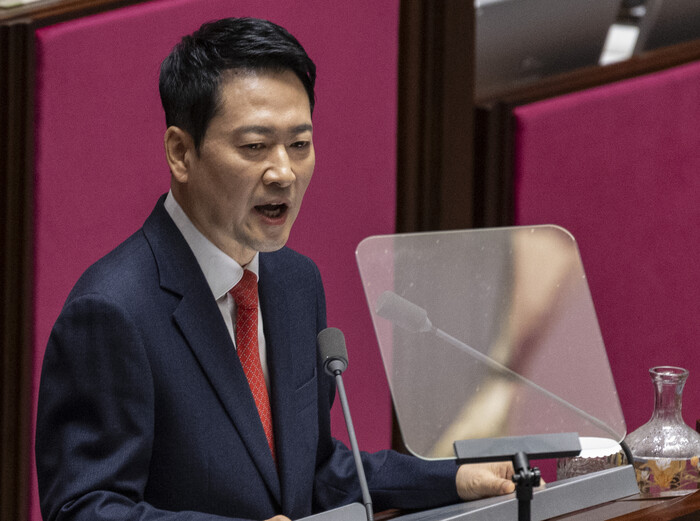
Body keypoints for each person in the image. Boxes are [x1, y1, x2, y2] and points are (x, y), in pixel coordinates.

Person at [35, 17, 515, 521]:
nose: (284, 172)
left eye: (300, 145)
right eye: (254, 147)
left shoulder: (294, 283)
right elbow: (84, 509)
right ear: (181, 153)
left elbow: (314, 471)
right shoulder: (111, 312)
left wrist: (452, 480)